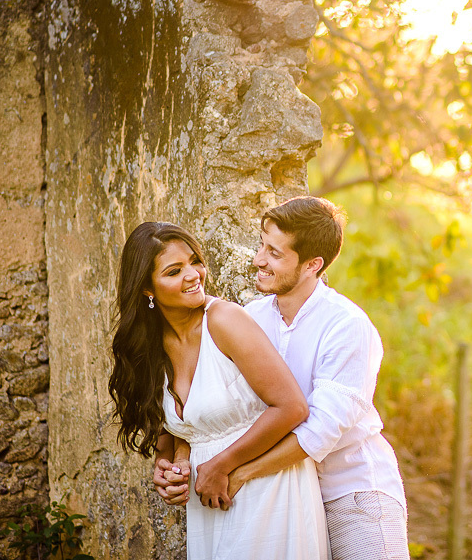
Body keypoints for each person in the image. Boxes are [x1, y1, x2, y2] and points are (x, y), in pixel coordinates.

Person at [155, 197, 410, 560]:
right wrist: (183, 457)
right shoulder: (250, 318)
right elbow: (217, 407)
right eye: (262, 245)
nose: (258, 259)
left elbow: (317, 430)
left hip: (351, 492)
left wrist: (238, 471)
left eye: (274, 253)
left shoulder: (347, 327)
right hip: (284, 493)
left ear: (312, 265)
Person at [109, 221, 329, 560]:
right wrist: (167, 466)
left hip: (267, 491)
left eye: (194, 261)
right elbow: (177, 431)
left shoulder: (224, 320)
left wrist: (221, 465)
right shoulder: (149, 347)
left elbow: (291, 407)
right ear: (147, 289)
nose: (193, 274)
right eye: (174, 271)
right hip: (210, 501)